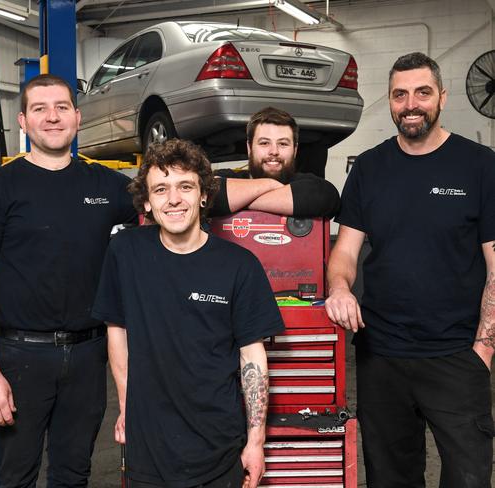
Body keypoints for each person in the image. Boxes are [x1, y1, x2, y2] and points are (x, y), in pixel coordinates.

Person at [0, 74, 139, 487]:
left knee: (74, 473)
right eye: (40, 109)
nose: (52, 118)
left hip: (89, 356)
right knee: (16, 476)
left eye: (61, 108)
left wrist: (271, 189)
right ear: (23, 121)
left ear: (77, 117)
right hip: (20, 357)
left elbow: (171, 196)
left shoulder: (106, 185)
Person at [325, 52, 495, 488]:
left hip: (457, 355)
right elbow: (344, 252)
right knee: (389, 478)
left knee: (470, 478)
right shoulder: (369, 167)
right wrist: (340, 288)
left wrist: (484, 349)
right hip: (382, 356)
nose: (411, 104)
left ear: (442, 95)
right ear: (390, 100)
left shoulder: (480, 166)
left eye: (422, 92)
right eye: (400, 95)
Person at [91, 139, 284, 488]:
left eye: (185, 186)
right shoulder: (125, 253)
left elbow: (252, 355)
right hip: (148, 446)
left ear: (204, 195)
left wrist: (256, 442)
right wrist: (126, 405)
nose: (174, 199)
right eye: (161, 189)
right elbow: (116, 329)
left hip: (218, 446)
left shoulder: (239, 266)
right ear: (147, 202)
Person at [210, 107, 340, 219]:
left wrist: (238, 200)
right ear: (249, 148)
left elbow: (326, 197)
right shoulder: (228, 176)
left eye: (283, 144)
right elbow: (207, 193)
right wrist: (269, 184)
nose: (274, 151)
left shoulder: (309, 184)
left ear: (295, 150)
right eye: (264, 143)